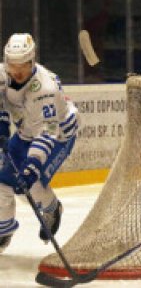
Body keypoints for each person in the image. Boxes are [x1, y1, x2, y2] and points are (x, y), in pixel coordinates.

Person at [0, 33, 80, 252]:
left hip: (59, 134)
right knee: (3, 181)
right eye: (12, 65)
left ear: (32, 61)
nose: (17, 72)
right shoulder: (2, 75)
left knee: (32, 181)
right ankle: (3, 229)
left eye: (23, 66)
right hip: (26, 131)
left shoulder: (45, 89)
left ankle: (52, 208)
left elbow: (47, 133)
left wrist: (33, 164)